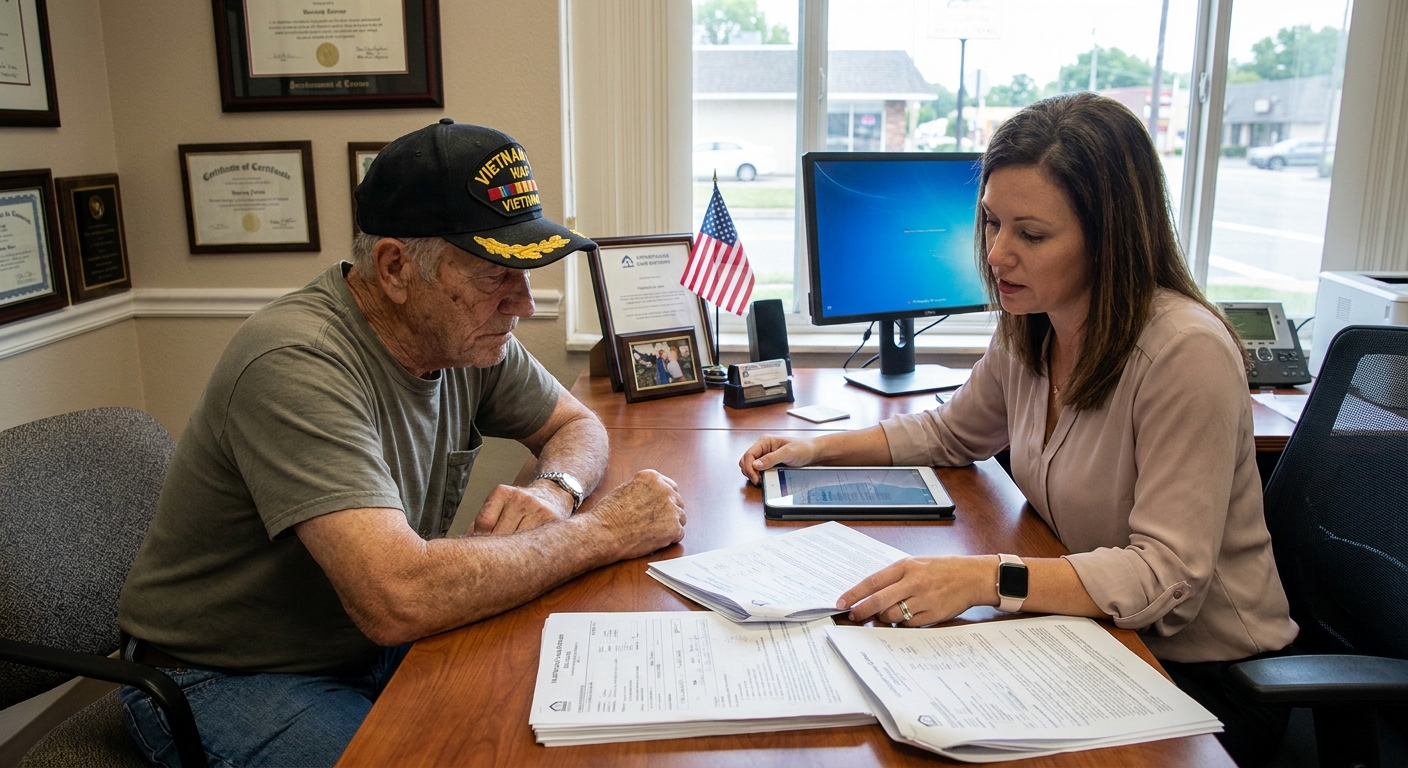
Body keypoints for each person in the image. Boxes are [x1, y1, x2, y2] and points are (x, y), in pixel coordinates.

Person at [739, 93, 1297, 766]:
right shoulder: (1032, 322)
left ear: (1109, 237)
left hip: (1204, 679)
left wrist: (982, 579)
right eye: (992, 223)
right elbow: (952, 434)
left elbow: (1164, 576)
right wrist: (815, 450)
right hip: (1088, 638)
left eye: (1031, 235)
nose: (998, 254)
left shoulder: (1185, 352)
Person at [117, 119, 687, 768]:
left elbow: (574, 425)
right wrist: (605, 531)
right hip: (226, 673)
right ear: (394, 268)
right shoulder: (295, 360)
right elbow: (398, 595)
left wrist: (557, 491)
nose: (523, 304)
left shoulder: (465, 336)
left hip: (362, 643)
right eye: (496, 274)